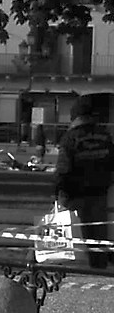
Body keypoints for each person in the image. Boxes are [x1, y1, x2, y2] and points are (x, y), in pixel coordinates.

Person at [54, 100, 114, 270]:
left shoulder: (70, 137)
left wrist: (58, 190)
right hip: (101, 191)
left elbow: (63, 168)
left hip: (76, 191)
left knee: (81, 232)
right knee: (99, 230)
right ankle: (100, 264)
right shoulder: (105, 135)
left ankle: (81, 265)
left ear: (75, 116)